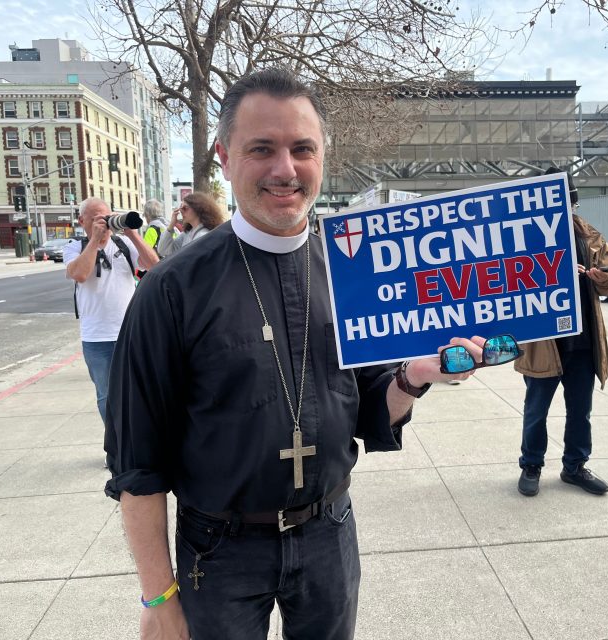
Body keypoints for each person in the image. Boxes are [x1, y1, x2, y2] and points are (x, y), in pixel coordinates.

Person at [104, 68, 481, 640]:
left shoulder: (353, 272)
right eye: (263, 149)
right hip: (219, 552)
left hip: (329, 532)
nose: (285, 168)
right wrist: (158, 595)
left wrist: (415, 375)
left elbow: (370, 410)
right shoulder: (172, 290)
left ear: (321, 156)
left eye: (302, 148)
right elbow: (137, 461)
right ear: (225, 157)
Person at [516, 169, 608, 498]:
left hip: (583, 341)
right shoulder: (524, 237)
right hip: (543, 344)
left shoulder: (589, 236)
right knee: (537, 409)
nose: (565, 209)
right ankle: (531, 464)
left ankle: (575, 465)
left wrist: (597, 276)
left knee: (581, 409)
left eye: (568, 202)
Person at [63, 197, 159, 425]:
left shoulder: (124, 244)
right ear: (82, 220)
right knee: (107, 397)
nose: (104, 223)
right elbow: (80, 274)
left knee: (138, 393)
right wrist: (95, 240)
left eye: (107, 216)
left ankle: (136, 446)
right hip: (96, 338)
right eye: (97, 218)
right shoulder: (74, 246)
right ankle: (115, 448)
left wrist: (133, 234)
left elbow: (156, 267)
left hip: (129, 334)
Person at [157, 191, 225, 257]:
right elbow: (163, 250)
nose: (181, 211)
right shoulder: (187, 234)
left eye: (185, 208)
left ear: (198, 209)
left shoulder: (203, 235)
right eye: (180, 208)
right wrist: (171, 226)